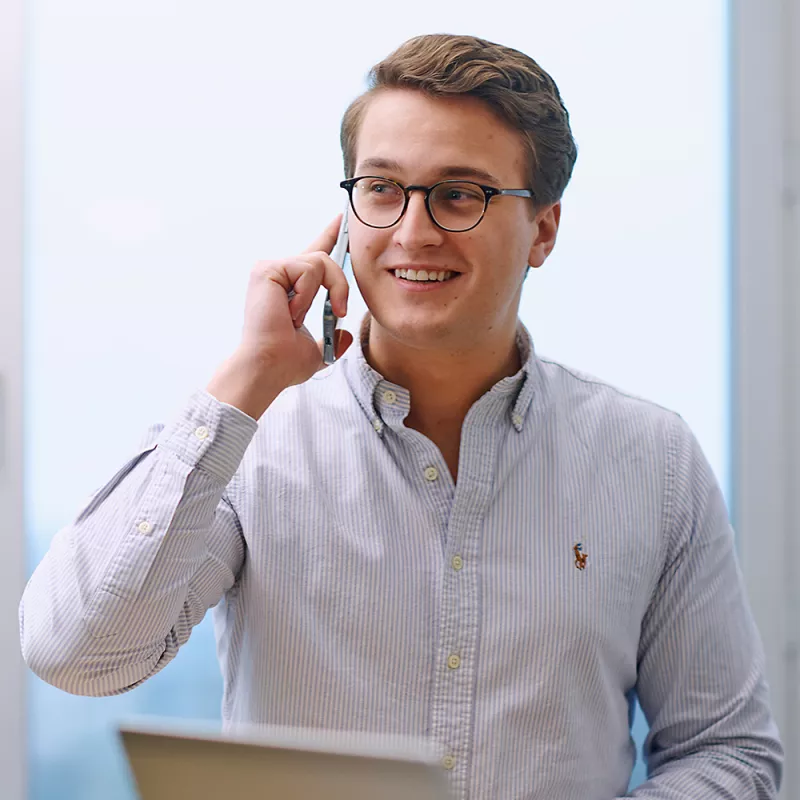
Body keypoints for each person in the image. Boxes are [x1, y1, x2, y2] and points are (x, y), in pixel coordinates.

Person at [19, 33, 782, 799]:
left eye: (460, 194)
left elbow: (727, 754)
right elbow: (75, 655)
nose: (413, 232)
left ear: (542, 231)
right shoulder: (253, 442)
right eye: (382, 190)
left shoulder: (652, 460)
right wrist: (247, 378)